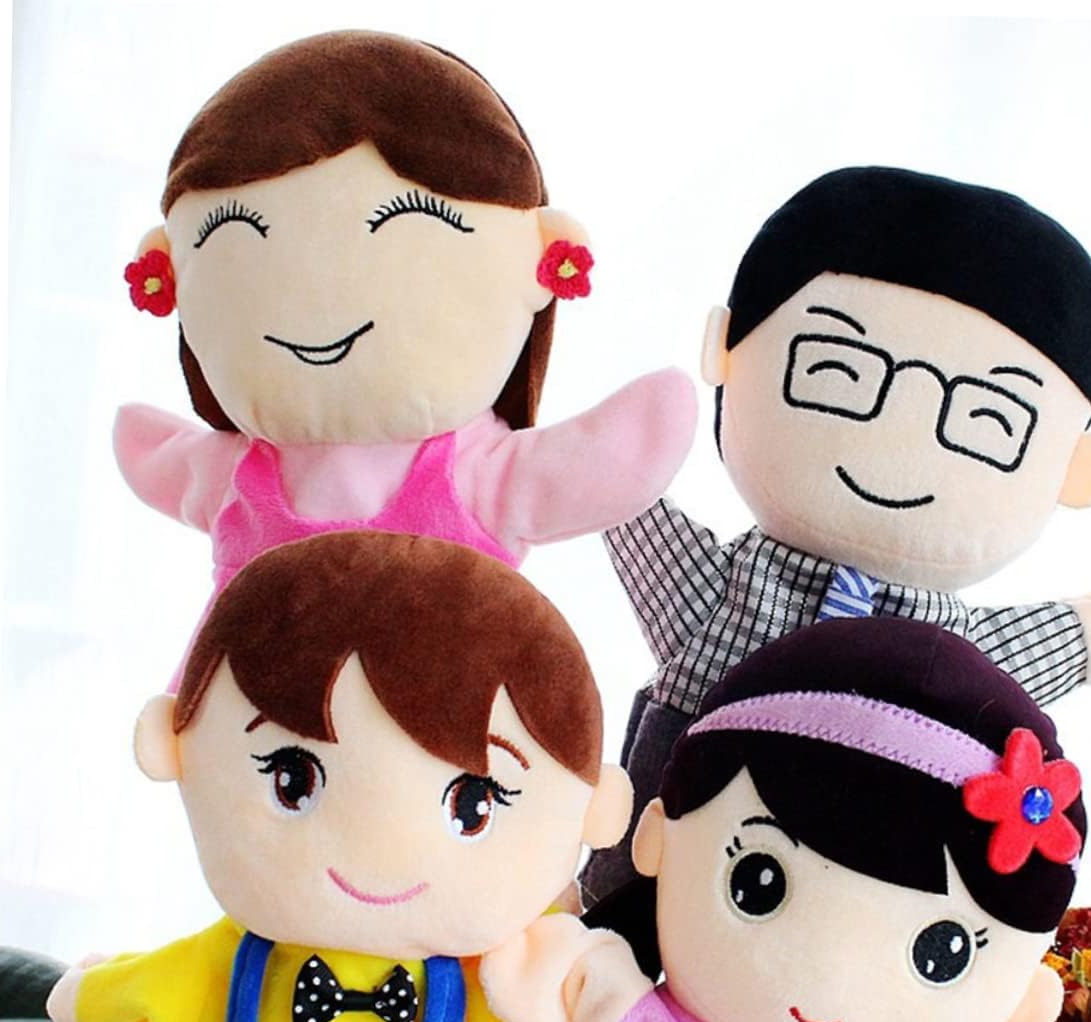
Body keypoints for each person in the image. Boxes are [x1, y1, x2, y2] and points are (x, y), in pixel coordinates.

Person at [584, 166, 1091, 905]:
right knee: (626, 934)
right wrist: (605, 478)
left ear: (1075, 470)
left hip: (859, 918)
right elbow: (625, 507)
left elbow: (1006, 655)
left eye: (983, 419)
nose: (903, 433)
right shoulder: (735, 593)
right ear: (723, 353)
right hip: (663, 880)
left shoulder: (950, 649)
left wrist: (1081, 634)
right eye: (841, 373)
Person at [46, 530, 631, 1022]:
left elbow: (84, 1002)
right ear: (169, 745)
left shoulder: (501, 978)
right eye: (292, 779)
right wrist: (88, 996)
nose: (383, 850)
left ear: (595, 811)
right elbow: (112, 996)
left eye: (473, 805)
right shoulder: (209, 970)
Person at [483, 618, 1082, 1022]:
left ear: (1022, 997)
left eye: (941, 954)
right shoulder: (617, 1014)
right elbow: (530, 964)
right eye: (757, 883)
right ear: (657, 839)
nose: (830, 975)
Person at [114, 30, 695, 599]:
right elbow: (157, 455)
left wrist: (635, 432)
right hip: (246, 667)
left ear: (544, 260)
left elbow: (583, 468)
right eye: (237, 233)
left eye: (401, 220)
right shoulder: (239, 474)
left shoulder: (471, 473)